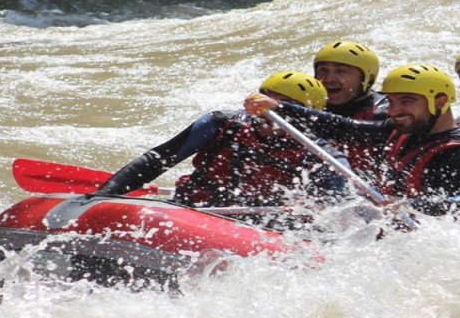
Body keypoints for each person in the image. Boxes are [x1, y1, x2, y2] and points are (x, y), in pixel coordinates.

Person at [246, 64, 460, 219]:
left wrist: (411, 206)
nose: (395, 111)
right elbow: (344, 128)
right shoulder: (400, 129)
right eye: (392, 102)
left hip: (434, 248)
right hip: (394, 231)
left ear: (441, 101)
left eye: (407, 102)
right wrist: (281, 108)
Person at [93, 71, 347, 214]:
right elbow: (157, 160)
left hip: (257, 223)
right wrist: (102, 196)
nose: (265, 113)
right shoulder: (222, 123)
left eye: (279, 106)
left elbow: (338, 203)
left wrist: (310, 206)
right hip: (193, 208)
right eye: (263, 101)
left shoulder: (319, 151)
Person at [312, 40, 388, 178]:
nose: (328, 79)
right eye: (323, 70)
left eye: (341, 71)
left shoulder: (385, 111)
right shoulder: (308, 106)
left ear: (366, 79)